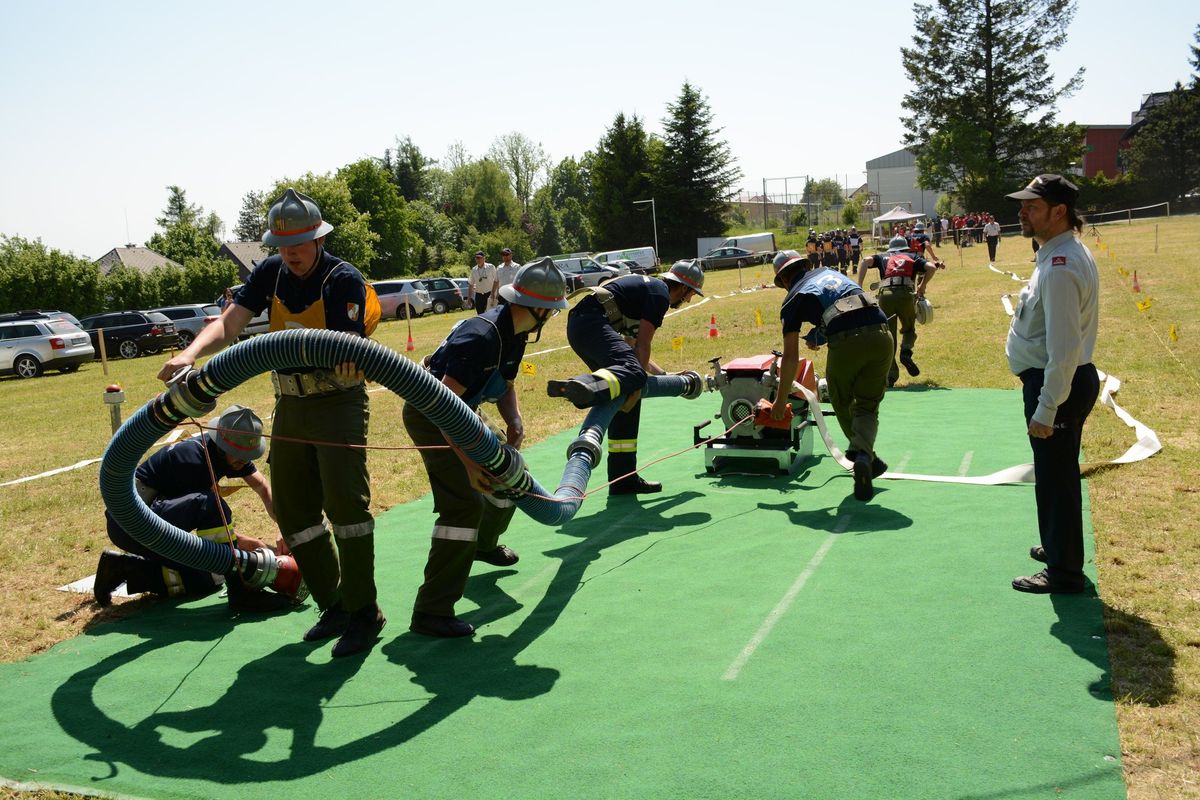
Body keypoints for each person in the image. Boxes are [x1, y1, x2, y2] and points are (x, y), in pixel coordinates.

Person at [158, 187, 384, 657]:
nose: (290, 254)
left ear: (319, 239)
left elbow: (349, 347)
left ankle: (365, 612)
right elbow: (232, 320)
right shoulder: (270, 273)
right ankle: (334, 605)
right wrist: (190, 353)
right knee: (297, 511)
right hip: (291, 405)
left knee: (346, 507)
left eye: (299, 244)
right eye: (282, 246)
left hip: (337, 403)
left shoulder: (342, 278)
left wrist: (346, 358)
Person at [404, 257, 569, 637]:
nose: (554, 317)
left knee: (510, 473)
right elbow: (443, 405)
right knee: (462, 506)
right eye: (553, 311)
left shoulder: (517, 331)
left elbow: (506, 383)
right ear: (541, 309)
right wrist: (467, 464)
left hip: (462, 413)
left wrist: (514, 420)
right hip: (432, 417)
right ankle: (432, 610)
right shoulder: (481, 337)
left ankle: (484, 545)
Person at [95, 405, 290, 611]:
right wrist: (250, 545)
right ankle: (241, 591)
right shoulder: (194, 460)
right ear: (221, 444)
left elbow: (262, 486)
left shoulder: (230, 455)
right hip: (131, 527)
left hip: (158, 516)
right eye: (237, 454)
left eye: (248, 455)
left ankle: (123, 568)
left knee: (208, 578)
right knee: (212, 505)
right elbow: (208, 516)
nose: (243, 461)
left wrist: (286, 529)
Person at [1005, 174, 1100, 594]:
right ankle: (1057, 547)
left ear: (1059, 211)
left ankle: (1064, 572)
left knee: (1057, 481)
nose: (1021, 212)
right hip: (1056, 382)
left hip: (1056, 385)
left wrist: (1046, 409)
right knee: (1052, 476)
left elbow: (1064, 349)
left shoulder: (1060, 267)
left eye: (1032, 206)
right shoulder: (1054, 253)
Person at [545, 260, 704, 494]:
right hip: (591, 324)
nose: (689, 299)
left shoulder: (645, 291)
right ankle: (584, 385)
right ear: (683, 288)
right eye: (691, 294)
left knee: (625, 393)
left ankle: (623, 478)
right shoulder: (659, 295)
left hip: (581, 326)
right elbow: (643, 344)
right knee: (631, 380)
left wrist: (662, 375)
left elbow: (631, 345)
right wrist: (639, 382)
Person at [771, 250, 892, 501]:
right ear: (804, 266)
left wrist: (781, 401)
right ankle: (865, 454)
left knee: (841, 399)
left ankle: (862, 456)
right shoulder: (830, 273)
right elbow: (846, 307)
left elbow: (791, 358)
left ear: (783, 280)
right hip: (882, 334)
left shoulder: (792, 300)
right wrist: (820, 334)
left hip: (847, 341)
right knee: (868, 406)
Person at [858, 236, 942, 387]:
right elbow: (932, 268)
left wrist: (858, 285)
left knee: (889, 336)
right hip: (906, 296)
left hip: (885, 297)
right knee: (909, 329)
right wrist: (922, 287)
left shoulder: (882, 257)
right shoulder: (913, 256)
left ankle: (890, 376)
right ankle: (906, 352)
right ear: (905, 248)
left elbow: (864, 261)